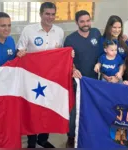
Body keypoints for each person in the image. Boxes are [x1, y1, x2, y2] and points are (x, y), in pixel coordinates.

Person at [16, 2, 67, 148]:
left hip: (51, 79)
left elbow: (61, 54)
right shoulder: (29, 30)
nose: (50, 17)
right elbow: (20, 49)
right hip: (32, 78)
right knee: (33, 109)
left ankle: (43, 138)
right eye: (47, 14)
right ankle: (31, 141)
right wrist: (21, 53)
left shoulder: (59, 31)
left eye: (52, 14)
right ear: (40, 14)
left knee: (48, 107)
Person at [63, 10, 101, 148]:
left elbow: (105, 51)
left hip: (94, 82)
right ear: (77, 23)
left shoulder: (96, 33)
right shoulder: (70, 39)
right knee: (74, 111)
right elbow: (67, 60)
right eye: (82, 21)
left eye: (88, 20)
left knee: (91, 109)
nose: (86, 24)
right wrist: (73, 69)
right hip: (77, 82)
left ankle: (88, 133)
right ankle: (71, 136)